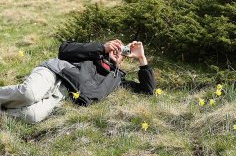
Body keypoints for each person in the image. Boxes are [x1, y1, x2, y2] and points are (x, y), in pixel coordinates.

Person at [0, 40, 155, 123]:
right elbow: (64, 50)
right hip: (54, 73)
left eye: (122, 51)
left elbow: (147, 91)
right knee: (28, 94)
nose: (117, 52)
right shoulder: (93, 53)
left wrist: (142, 58)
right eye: (116, 47)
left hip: (64, 95)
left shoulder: (116, 79)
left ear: (124, 59)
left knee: (32, 115)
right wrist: (102, 47)